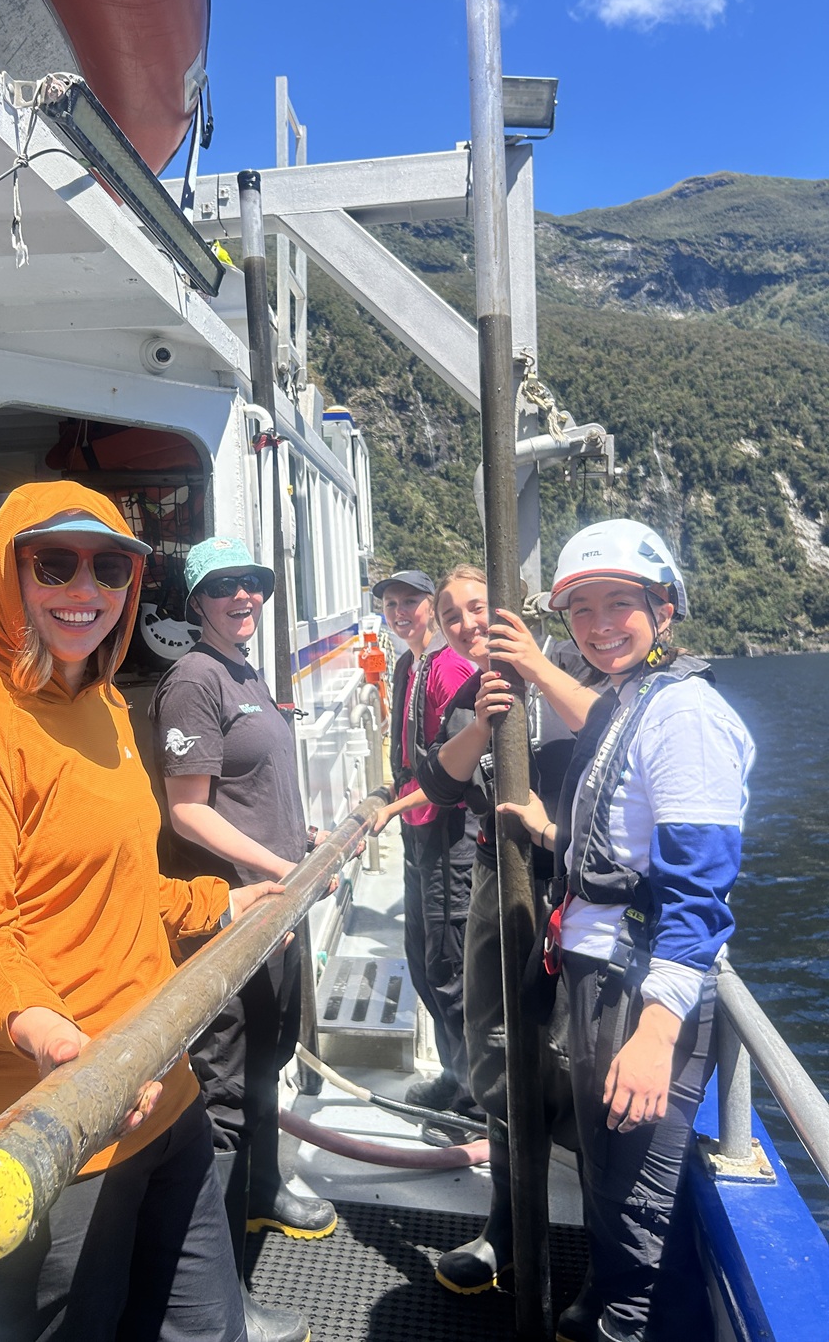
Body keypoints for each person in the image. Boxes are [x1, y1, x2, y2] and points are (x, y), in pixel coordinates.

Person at [0, 483, 280, 1342]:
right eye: (54, 563)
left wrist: (219, 901)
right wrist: (60, 1044)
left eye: (111, 566)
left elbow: (121, 882)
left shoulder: (105, 708)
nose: (86, 588)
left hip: (159, 1093)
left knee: (209, 1330)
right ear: (6, 572)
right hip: (41, 1134)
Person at [492, 519, 755, 1342]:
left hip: (641, 998)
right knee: (611, 1195)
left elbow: (698, 891)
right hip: (601, 981)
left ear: (664, 609)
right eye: (583, 610)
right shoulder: (628, 702)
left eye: (621, 605)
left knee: (640, 1222)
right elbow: (624, 845)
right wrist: (547, 831)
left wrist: (657, 1029)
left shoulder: (685, 716)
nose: (602, 624)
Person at [149, 536, 334, 1342]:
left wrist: (305, 840)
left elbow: (258, 789)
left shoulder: (247, 671)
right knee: (224, 1096)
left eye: (252, 584)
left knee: (268, 1059)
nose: (243, 597)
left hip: (277, 911)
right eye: (224, 587)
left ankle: (262, 1192)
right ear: (197, 601)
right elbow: (186, 806)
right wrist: (281, 867)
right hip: (236, 917)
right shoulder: (194, 677)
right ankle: (216, 1296)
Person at [411, 575, 601, 1296]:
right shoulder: (473, 691)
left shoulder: (572, 662)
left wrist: (535, 670)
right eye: (452, 614)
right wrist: (480, 725)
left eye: (478, 609)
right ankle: (507, 1229)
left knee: (577, 1062)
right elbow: (438, 783)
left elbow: (611, 729)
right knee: (496, 1048)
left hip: (572, 883)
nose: (465, 624)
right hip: (498, 877)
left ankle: (593, 1249)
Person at [371, 568, 477, 1124]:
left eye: (410, 601)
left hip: (447, 837)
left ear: (430, 607)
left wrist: (396, 806)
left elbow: (447, 772)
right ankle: (455, 1076)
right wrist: (393, 792)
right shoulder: (410, 664)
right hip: (418, 833)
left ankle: (475, 1100)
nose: (399, 611)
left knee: (450, 966)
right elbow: (413, 756)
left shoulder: (450, 670)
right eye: (390, 603)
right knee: (423, 960)